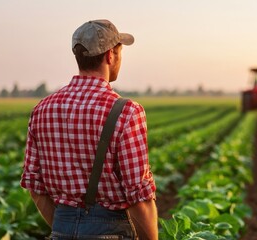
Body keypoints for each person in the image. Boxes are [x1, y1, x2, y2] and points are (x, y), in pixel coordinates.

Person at [20, 19, 158, 239]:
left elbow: (36, 188)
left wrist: (67, 226)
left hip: (61, 229)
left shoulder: (42, 109)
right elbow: (139, 199)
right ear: (110, 55)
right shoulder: (127, 111)